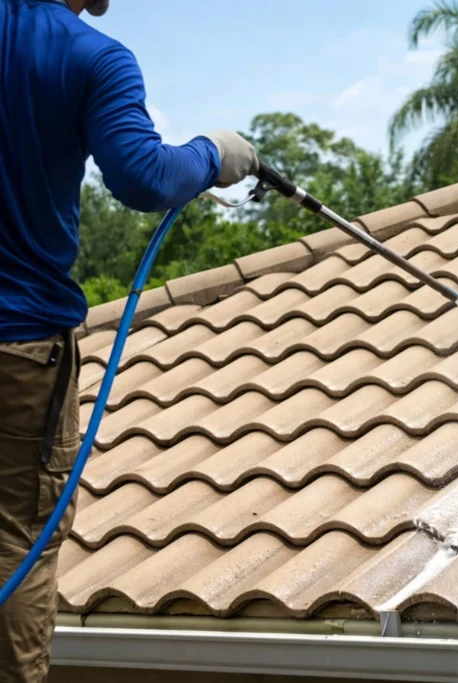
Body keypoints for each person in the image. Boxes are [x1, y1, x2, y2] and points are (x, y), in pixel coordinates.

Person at [0, 0, 258, 679]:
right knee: (17, 536)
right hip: (19, 348)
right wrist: (214, 153)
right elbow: (143, 177)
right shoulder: (92, 57)